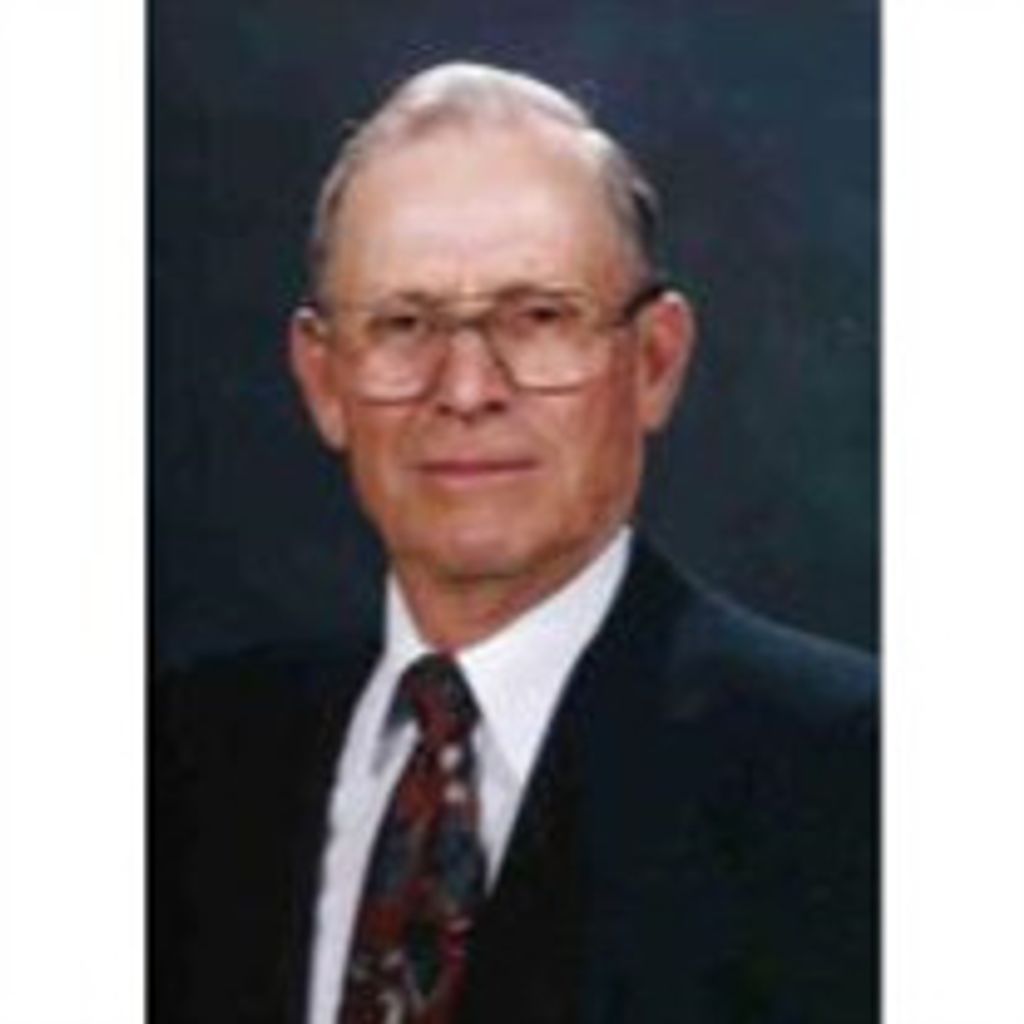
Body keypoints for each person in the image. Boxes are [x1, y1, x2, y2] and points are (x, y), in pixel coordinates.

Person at [151, 62, 877, 1024]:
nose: (466, 391)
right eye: (403, 324)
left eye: (538, 318)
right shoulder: (173, 759)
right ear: (323, 380)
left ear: (654, 363)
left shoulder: (859, 778)